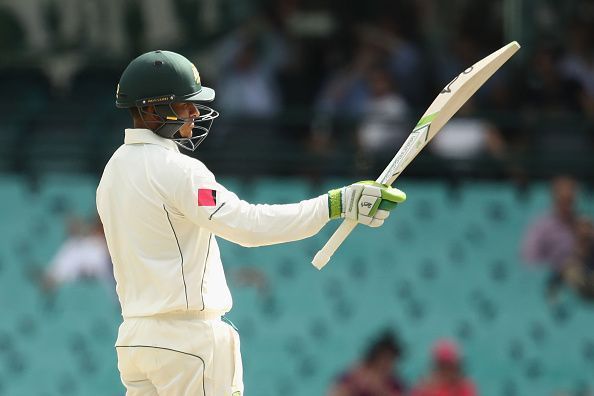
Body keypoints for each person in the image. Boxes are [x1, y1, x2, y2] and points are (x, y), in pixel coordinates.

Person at [96, 50, 407, 395]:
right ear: (153, 109)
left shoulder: (113, 170)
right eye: (186, 104)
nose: (196, 113)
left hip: (136, 341)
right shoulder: (178, 170)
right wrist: (335, 204)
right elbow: (249, 226)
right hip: (186, 343)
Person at [521, 176, 579, 301]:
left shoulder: (583, 225)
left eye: (570, 201)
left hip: (579, 288)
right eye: (562, 200)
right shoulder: (540, 227)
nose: (567, 206)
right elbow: (530, 261)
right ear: (554, 199)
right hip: (550, 287)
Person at [328, 331, 406, 396]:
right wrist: (355, 385)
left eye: (391, 359)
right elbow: (334, 392)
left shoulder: (394, 384)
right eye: (384, 358)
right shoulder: (353, 375)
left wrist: (380, 390)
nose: (387, 363)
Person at [410, 339, 477, 396]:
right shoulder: (423, 388)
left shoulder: (465, 387)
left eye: (450, 366)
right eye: (443, 366)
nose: (447, 371)